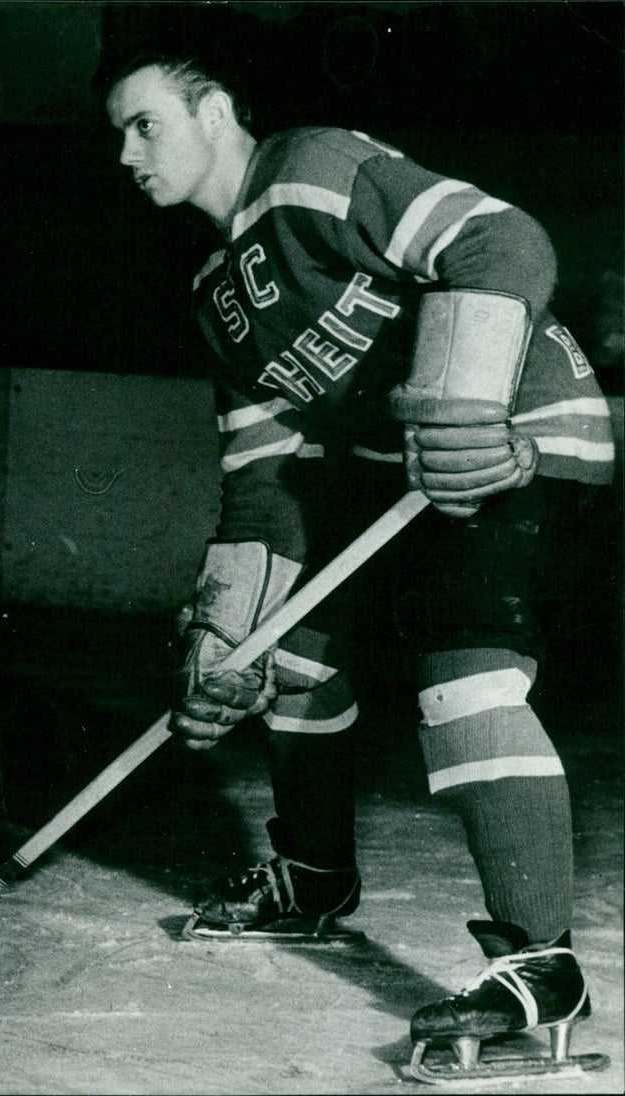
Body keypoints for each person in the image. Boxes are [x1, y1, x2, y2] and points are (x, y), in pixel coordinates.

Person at [105, 50, 614, 1080]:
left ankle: (538, 963)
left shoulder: (310, 169)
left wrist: (467, 404)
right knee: (294, 647)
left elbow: (498, 239)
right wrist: (222, 638)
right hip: (399, 485)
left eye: (145, 124)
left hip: (522, 438)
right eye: (116, 135)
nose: (125, 153)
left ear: (212, 110)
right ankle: (310, 877)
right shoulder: (214, 293)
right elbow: (258, 479)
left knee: (462, 682)